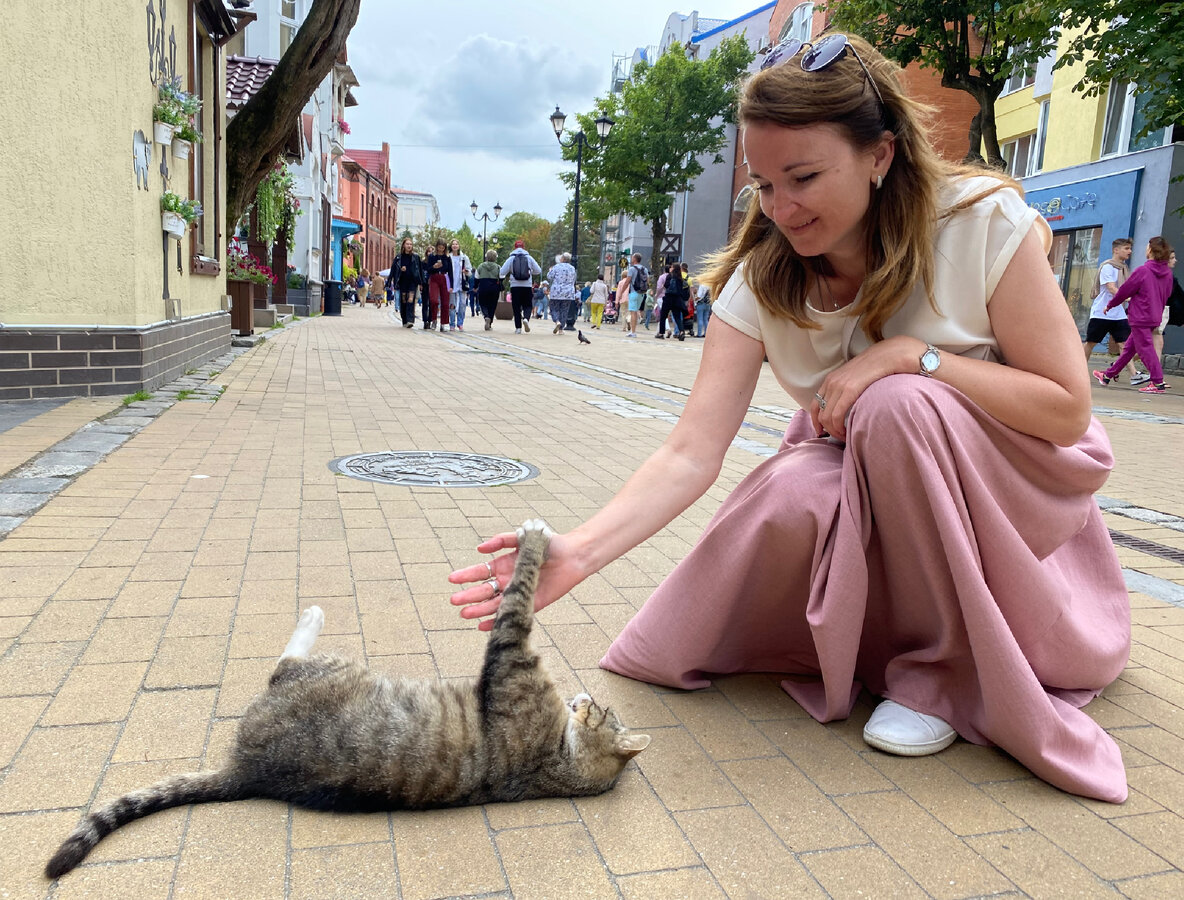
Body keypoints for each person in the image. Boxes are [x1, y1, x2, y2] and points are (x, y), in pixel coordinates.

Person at [449, 32, 1131, 804]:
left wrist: (912, 355)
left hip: (1016, 482)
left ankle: (941, 674)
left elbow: (1067, 407)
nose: (783, 209)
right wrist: (579, 552)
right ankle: (884, 640)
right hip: (872, 469)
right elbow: (691, 450)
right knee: (794, 485)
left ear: (879, 155)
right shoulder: (764, 275)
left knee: (895, 403)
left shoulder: (978, 225)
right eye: (765, 186)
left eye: (803, 177)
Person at [1094, 237, 1174, 393]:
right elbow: (1168, 293)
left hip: (1140, 316)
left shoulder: (1143, 271)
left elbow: (1125, 291)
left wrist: (1110, 305)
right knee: (1129, 349)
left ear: (1150, 250)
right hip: (1154, 315)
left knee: (1145, 349)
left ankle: (1157, 382)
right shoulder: (1167, 274)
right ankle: (1108, 375)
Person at [1082, 238, 1136, 382]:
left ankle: (1134, 375)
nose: (1130, 251)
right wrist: (1129, 299)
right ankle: (1079, 371)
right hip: (1102, 312)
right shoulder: (1107, 267)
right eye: (1126, 248)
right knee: (1091, 343)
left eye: (1130, 248)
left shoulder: (1123, 268)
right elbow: (1111, 288)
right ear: (1116, 250)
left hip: (1117, 313)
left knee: (1124, 344)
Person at [499, 239, 542, 333]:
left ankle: (518, 328)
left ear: (514, 247)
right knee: (527, 305)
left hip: (515, 286)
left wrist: (510, 273)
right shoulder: (529, 258)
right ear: (524, 247)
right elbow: (538, 270)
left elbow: (502, 272)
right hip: (527, 285)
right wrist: (530, 272)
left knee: (516, 307)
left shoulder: (511, 258)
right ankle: (526, 318)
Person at [388, 238, 423, 328]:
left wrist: (421, 282)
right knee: (403, 300)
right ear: (404, 245)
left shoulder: (416, 257)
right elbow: (393, 270)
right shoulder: (399, 257)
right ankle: (404, 319)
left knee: (410, 299)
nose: (409, 246)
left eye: (410, 244)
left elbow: (420, 270)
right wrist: (399, 271)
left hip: (412, 281)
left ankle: (410, 320)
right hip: (402, 281)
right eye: (407, 244)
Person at [546, 253, 578, 334]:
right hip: (568, 293)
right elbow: (574, 279)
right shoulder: (572, 268)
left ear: (563, 259)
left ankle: (557, 321)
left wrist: (550, 270)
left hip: (556, 291)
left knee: (554, 308)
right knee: (564, 310)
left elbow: (549, 277)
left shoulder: (556, 267)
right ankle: (561, 329)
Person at [425, 240, 453, 331]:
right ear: (437, 247)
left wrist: (451, 285)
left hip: (444, 278)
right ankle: (434, 320)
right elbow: (428, 269)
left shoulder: (447, 257)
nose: (441, 249)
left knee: (445, 302)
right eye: (439, 247)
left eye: (443, 247)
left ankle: (443, 323)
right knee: (434, 300)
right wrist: (434, 267)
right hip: (434, 278)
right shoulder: (432, 256)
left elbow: (451, 272)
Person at [656, 263, 688, 341]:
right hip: (677, 299)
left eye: (672, 267)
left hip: (668, 298)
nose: (670, 268)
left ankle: (661, 333)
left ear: (673, 269)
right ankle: (681, 331)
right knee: (677, 317)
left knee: (663, 316)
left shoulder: (669, 276)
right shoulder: (680, 278)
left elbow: (666, 286)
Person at [620, 253, 649, 337]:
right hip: (641, 293)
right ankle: (633, 330)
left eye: (632, 258)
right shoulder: (645, 269)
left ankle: (633, 332)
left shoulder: (632, 269)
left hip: (633, 292)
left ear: (635, 259)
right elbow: (647, 281)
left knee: (633, 312)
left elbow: (627, 281)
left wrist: (622, 292)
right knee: (636, 311)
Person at [475, 249, 502, 330]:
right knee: (492, 305)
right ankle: (490, 323)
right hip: (494, 289)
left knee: (483, 303)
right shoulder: (498, 267)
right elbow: (502, 277)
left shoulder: (480, 266)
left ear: (486, 257)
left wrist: (475, 287)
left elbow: (476, 277)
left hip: (483, 287)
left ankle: (486, 316)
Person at [448, 238, 472, 331]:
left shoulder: (464, 257)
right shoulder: (448, 257)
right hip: (452, 284)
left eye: (456, 244)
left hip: (462, 283)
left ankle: (460, 322)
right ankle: (452, 323)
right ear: (451, 246)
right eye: (453, 244)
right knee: (452, 304)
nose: (455, 246)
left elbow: (469, 271)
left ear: (459, 246)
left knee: (462, 304)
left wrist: (466, 272)